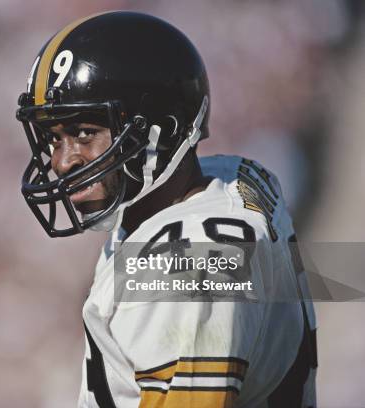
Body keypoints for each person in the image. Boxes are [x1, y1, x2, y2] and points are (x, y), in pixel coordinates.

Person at [16, 11, 317, 408]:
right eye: (54, 138)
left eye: (85, 132)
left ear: (164, 129)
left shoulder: (189, 269)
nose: (62, 161)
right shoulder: (230, 177)